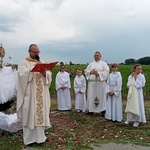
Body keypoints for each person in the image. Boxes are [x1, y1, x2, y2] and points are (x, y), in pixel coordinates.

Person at [17, 44, 52, 145]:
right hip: (30, 94)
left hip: (41, 95)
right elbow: (21, 74)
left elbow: (49, 75)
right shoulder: (24, 62)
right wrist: (33, 69)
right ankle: (29, 139)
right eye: (35, 52)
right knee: (29, 113)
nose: (36, 54)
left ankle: (41, 138)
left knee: (40, 114)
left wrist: (45, 73)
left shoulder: (42, 62)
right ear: (29, 51)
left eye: (38, 52)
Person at [85, 51, 109, 116]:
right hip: (92, 83)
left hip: (100, 83)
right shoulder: (91, 64)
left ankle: (102, 110)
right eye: (95, 55)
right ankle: (91, 110)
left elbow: (106, 72)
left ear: (100, 56)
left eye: (97, 55)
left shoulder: (104, 64)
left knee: (101, 96)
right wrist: (90, 72)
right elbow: (86, 71)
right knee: (91, 96)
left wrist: (98, 74)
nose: (96, 57)